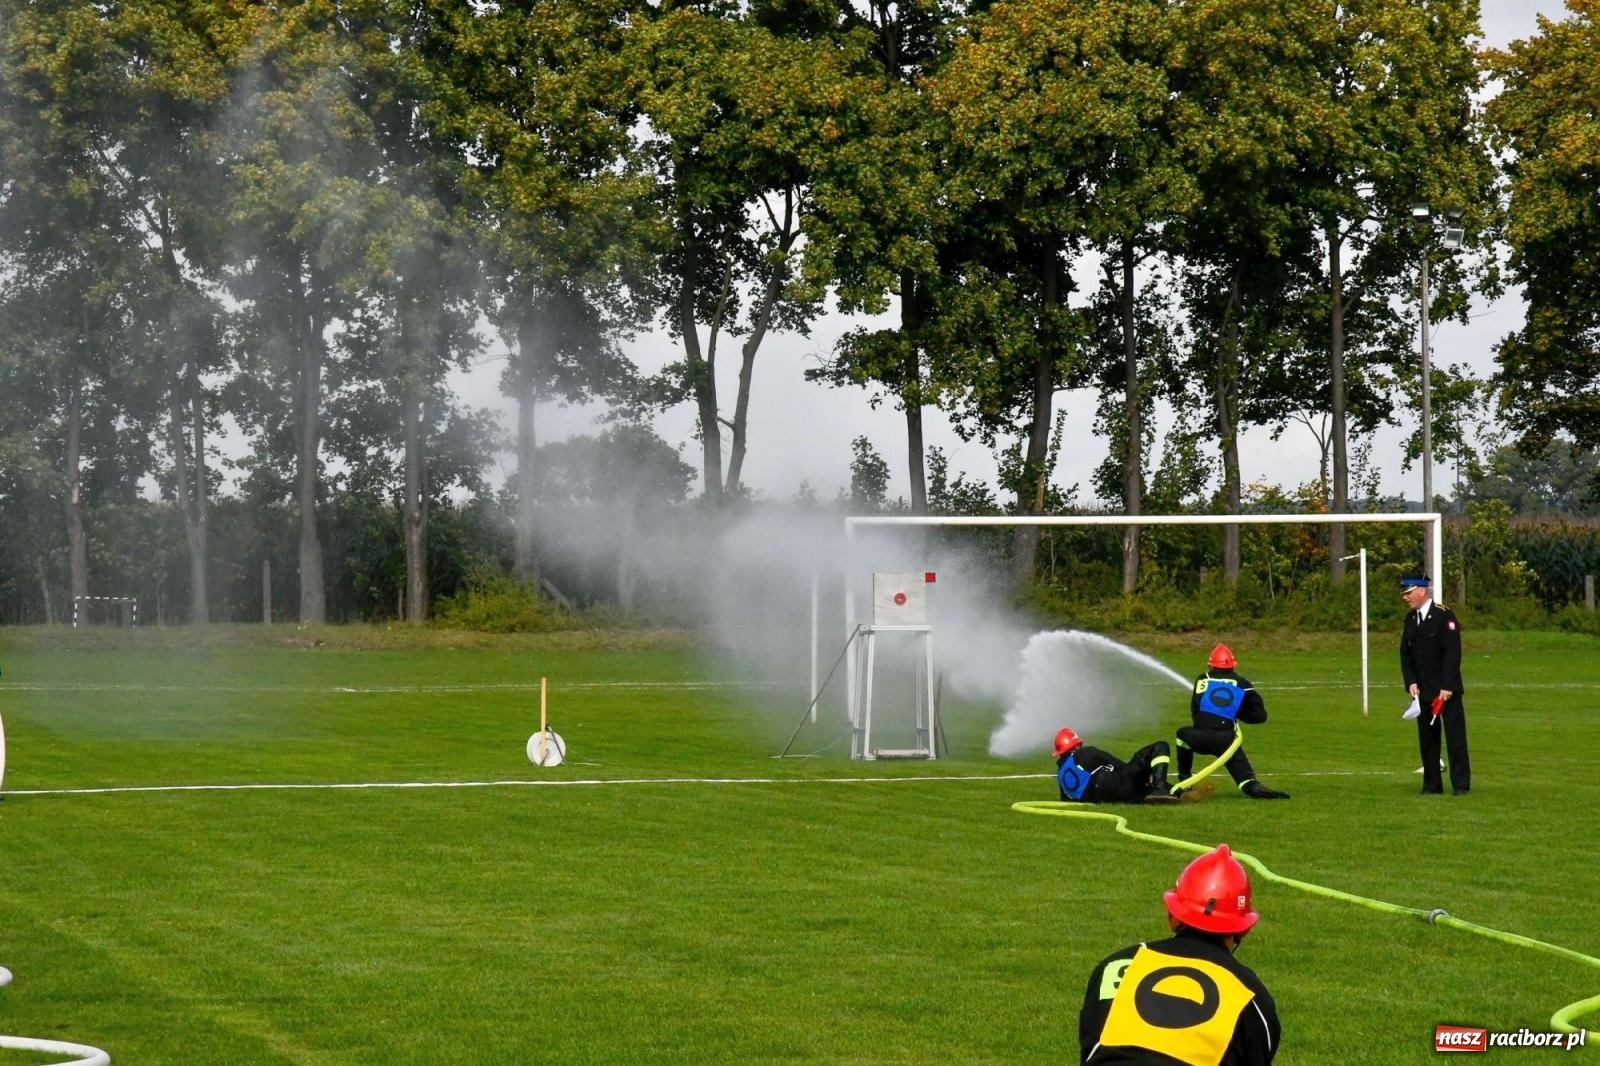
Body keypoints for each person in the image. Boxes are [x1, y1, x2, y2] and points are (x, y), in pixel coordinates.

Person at [1079, 843, 1281, 1064]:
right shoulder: (1252, 996)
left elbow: (1092, 1051)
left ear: (1172, 916)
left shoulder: (1117, 965)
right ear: (1244, 928)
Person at [1178, 644, 1290, 800]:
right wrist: (1236, 712)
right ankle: (1255, 788)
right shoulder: (1243, 684)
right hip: (1226, 740)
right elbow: (1259, 716)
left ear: (1211, 665)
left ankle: (1184, 782)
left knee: (1181, 735)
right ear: (1232, 665)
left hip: (1198, 737)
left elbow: (1196, 710)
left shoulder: (1203, 679)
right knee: (1247, 783)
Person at [1399, 573, 1470, 795]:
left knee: (1455, 738)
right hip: (1423, 690)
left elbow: (1452, 652)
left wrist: (1447, 685)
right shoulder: (1410, 620)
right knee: (1428, 740)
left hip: (1445, 690)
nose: (1405, 597)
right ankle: (1431, 784)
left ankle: (1460, 785)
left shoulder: (1443, 615)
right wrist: (1410, 682)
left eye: (1408, 593)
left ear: (1422, 591)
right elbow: (1406, 654)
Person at [1055, 727, 1181, 805]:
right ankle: (1161, 789)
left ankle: (1177, 792)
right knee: (1160, 747)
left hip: (1115, 799)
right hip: (1122, 786)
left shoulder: (1061, 776)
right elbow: (1120, 765)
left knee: (1145, 789)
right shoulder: (1086, 753)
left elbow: (1067, 802)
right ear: (1075, 745)